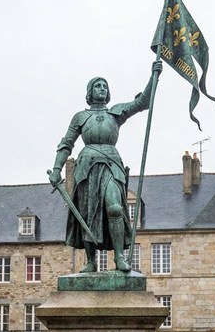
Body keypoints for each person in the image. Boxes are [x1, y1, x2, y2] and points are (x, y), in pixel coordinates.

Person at [49, 61, 163, 273]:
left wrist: (153, 75)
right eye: (97, 85)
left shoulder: (116, 113)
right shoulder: (81, 117)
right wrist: (57, 169)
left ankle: (119, 257)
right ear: (89, 93)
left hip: (111, 163)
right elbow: (67, 143)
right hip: (87, 167)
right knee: (88, 212)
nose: (102, 88)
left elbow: (144, 102)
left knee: (115, 207)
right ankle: (91, 261)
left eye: (104, 85)